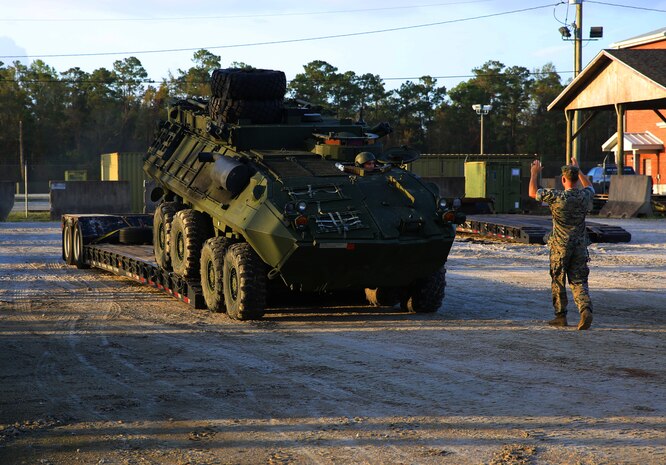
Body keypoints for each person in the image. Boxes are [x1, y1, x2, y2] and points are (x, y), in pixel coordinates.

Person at [529, 157, 595, 330]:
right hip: (580, 246)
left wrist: (534, 173)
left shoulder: (556, 196)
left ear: (563, 179)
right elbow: (590, 187)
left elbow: (532, 192)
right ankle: (585, 310)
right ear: (575, 178)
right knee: (579, 280)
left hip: (560, 247)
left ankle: (560, 316)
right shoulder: (584, 196)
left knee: (558, 280)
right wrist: (579, 170)